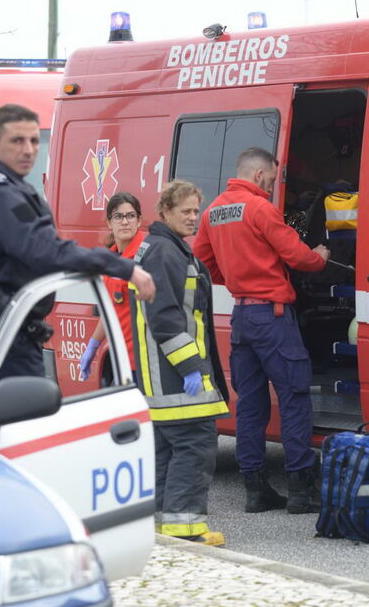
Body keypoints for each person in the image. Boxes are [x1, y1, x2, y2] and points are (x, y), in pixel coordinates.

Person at [0, 104, 155, 383]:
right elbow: (48, 251)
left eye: (34, 141)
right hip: (3, 335)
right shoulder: (2, 197)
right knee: (25, 421)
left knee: (5, 422)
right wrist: (123, 267)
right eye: (17, 140)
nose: (28, 149)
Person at [193, 147, 330, 515]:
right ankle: (301, 487)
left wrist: (237, 277)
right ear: (257, 175)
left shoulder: (213, 211)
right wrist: (321, 257)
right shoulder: (259, 208)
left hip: (242, 319)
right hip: (272, 317)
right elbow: (298, 256)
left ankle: (255, 488)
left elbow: (203, 264)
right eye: (270, 178)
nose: (272, 185)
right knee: (293, 396)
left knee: (250, 405)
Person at [130, 180, 230, 546]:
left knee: (167, 451)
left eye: (195, 211)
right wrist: (192, 370)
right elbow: (166, 319)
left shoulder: (160, 249)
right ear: (165, 211)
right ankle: (186, 530)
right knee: (194, 446)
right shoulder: (165, 254)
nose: (193, 217)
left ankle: (163, 527)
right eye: (185, 211)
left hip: (159, 382)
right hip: (176, 379)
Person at [78, 192, 146, 383]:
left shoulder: (146, 256)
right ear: (109, 223)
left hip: (145, 364)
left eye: (130, 216)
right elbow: (111, 311)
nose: (125, 222)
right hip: (121, 360)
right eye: (118, 217)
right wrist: (93, 344)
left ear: (139, 220)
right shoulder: (110, 260)